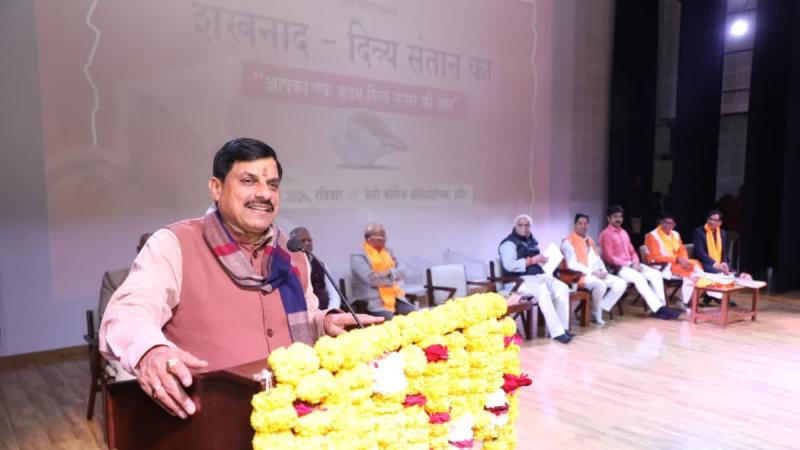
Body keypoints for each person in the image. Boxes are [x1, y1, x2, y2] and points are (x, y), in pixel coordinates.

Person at [99, 138, 381, 419]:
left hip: (293, 416)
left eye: (272, 185)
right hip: (207, 422)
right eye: (249, 181)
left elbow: (303, 316)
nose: (265, 194)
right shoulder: (175, 244)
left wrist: (322, 323)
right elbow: (129, 311)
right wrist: (151, 351)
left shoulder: (292, 253)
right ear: (216, 188)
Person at [499, 214, 573, 344]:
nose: (524, 228)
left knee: (562, 288)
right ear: (515, 226)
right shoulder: (508, 243)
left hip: (536, 276)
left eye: (527, 225)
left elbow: (535, 262)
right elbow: (509, 265)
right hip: (516, 280)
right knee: (542, 291)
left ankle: (563, 328)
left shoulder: (532, 241)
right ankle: (557, 332)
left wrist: (544, 260)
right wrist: (532, 260)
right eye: (520, 225)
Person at [598, 205, 680, 320]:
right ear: (608, 218)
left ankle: (661, 307)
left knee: (656, 274)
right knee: (639, 278)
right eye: (615, 217)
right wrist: (630, 265)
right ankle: (658, 309)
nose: (618, 219)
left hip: (632, 265)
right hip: (617, 268)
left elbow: (632, 251)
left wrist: (636, 262)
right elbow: (609, 258)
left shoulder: (624, 233)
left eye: (620, 217)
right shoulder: (605, 234)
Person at [97, 232, 151, 381]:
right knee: (129, 378)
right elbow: (106, 317)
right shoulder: (114, 279)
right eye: (147, 248)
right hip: (125, 344)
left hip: (162, 343)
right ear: (138, 250)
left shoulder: (171, 278)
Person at [561, 213, 626, 325]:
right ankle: (596, 312)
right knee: (600, 285)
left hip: (595, 273)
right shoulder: (568, 241)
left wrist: (603, 271)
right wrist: (592, 272)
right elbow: (572, 264)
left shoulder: (589, 240)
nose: (583, 226)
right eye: (580, 223)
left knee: (621, 283)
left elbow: (597, 259)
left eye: (586, 223)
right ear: (575, 225)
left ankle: (600, 308)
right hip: (577, 276)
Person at [350, 224, 418, 320]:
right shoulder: (357, 256)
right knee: (393, 322)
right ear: (371, 240)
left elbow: (403, 271)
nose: (385, 241)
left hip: (395, 296)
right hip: (372, 302)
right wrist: (393, 278)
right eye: (382, 239)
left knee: (416, 315)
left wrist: (388, 273)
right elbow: (372, 280)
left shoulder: (388, 251)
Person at [644, 214, 705, 309]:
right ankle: (682, 301)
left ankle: (687, 299)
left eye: (671, 223)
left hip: (677, 263)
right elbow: (656, 257)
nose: (668, 225)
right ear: (661, 222)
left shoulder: (675, 234)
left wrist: (684, 260)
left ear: (674, 225)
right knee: (692, 275)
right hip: (662, 266)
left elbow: (682, 249)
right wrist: (677, 259)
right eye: (666, 222)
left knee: (699, 270)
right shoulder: (652, 236)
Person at [692, 209, 751, 306]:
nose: (712, 222)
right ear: (707, 219)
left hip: (719, 263)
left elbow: (723, 252)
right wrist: (715, 264)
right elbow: (699, 252)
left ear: (720, 222)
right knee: (720, 274)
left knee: (732, 273)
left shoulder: (722, 233)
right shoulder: (699, 232)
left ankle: (710, 296)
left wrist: (724, 263)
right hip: (703, 263)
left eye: (715, 220)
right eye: (711, 219)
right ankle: (720, 298)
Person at [289, 227, 341, 309]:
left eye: (309, 240)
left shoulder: (321, 265)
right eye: (303, 241)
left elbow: (334, 294)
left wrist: (331, 310)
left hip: (324, 311)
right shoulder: (288, 266)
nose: (307, 243)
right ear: (293, 245)